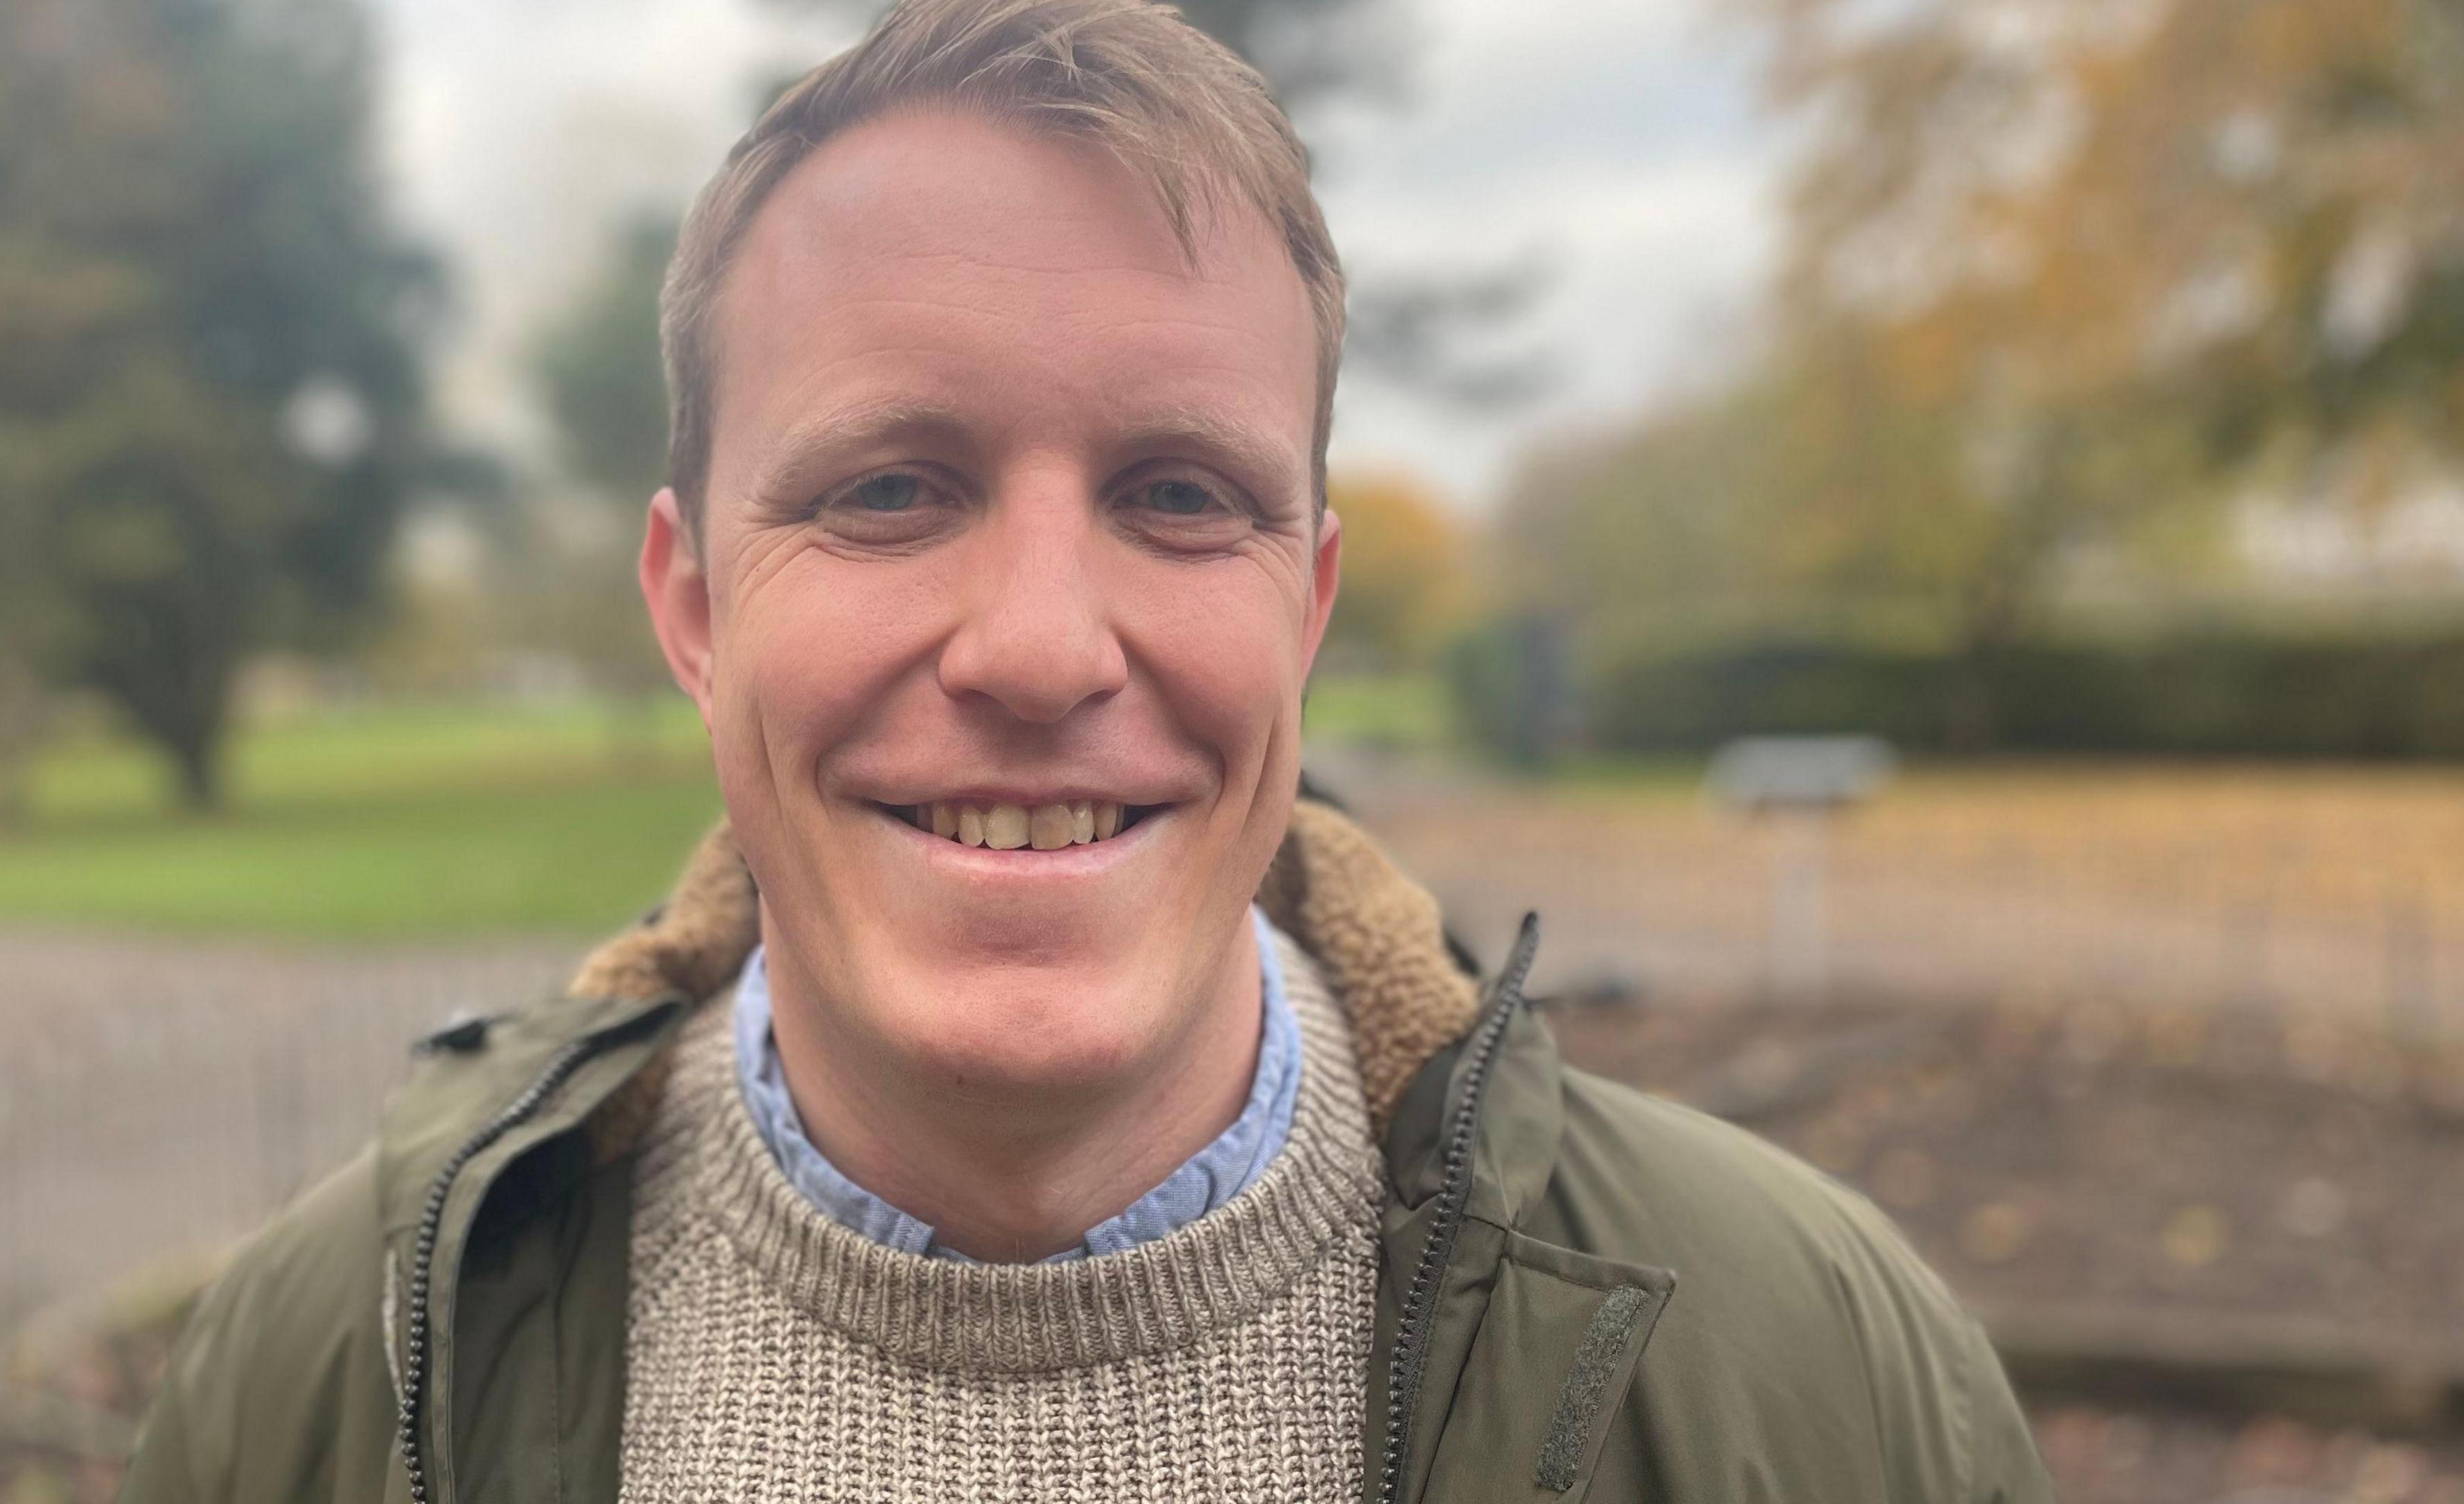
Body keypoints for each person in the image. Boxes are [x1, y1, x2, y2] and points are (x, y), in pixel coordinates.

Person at [118, 1, 2054, 1498]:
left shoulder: (1812, 1376)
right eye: (890, 488)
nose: (1040, 647)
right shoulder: (339, 1370)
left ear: (1305, 609)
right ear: (694, 608)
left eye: (1178, 494)